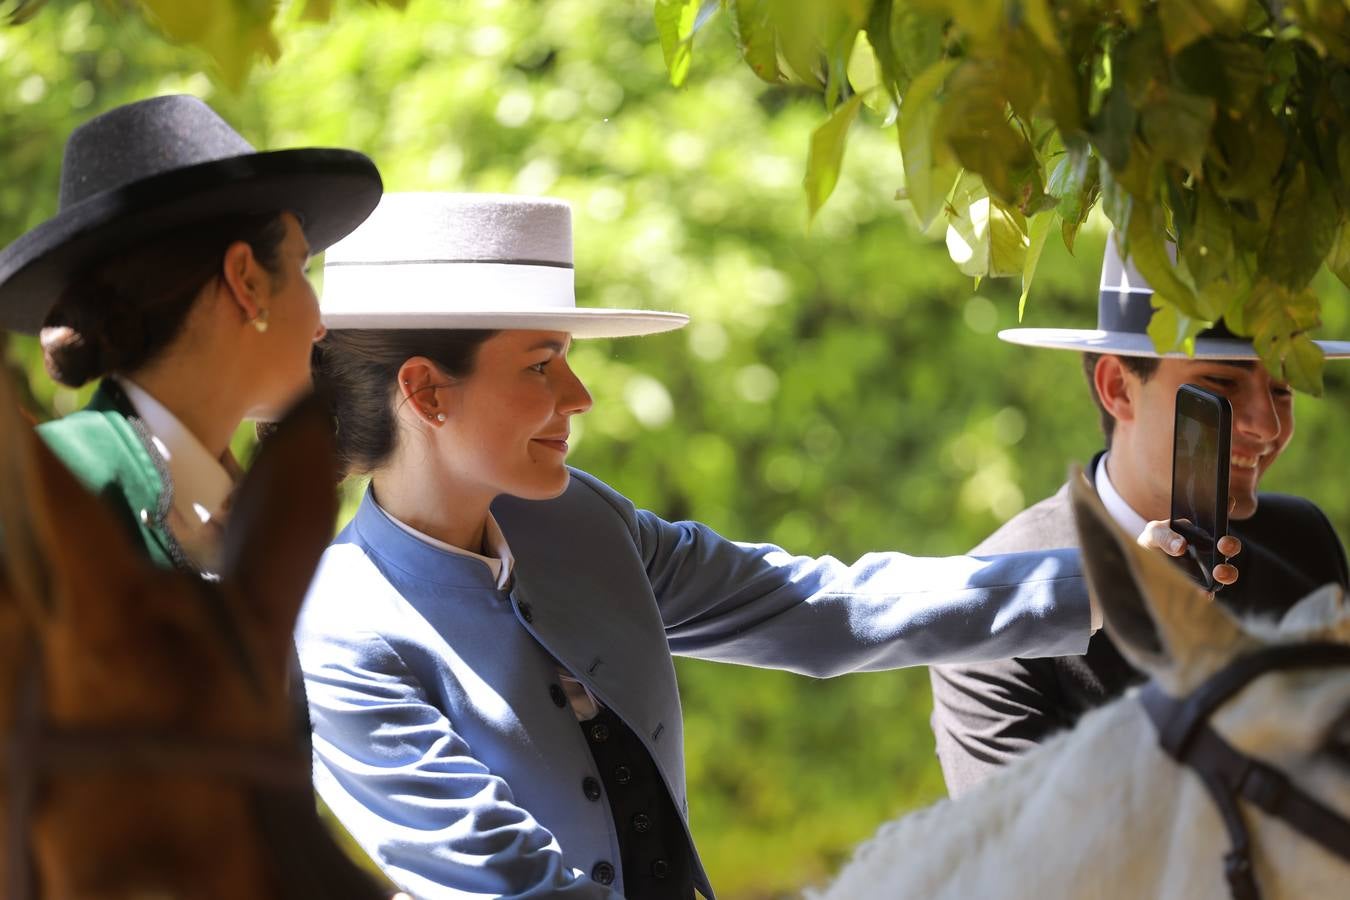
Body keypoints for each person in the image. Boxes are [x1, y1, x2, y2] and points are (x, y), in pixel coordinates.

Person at [295, 192, 1118, 900]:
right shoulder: (338, 630)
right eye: (542, 366)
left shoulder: (586, 522)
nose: (579, 398)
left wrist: (1117, 584)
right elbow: (510, 885)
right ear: (426, 391)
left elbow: (822, 609)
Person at [928, 232, 1350, 798]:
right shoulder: (1001, 594)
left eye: (1281, 390)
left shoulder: (1302, 539)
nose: (1267, 426)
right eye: (1221, 385)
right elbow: (1018, 854)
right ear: (1117, 389)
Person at [0, 93, 382, 573]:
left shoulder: (240, 520)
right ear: (246, 280)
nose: (320, 323)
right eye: (302, 267)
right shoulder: (45, 495)